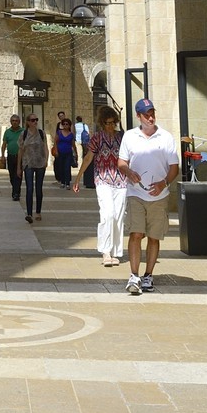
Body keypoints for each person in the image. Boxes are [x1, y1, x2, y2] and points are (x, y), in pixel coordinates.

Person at [117, 99, 179, 294]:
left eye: (152, 113)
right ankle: (134, 276)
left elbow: (174, 167)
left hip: (159, 197)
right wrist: (129, 172)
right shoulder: (129, 136)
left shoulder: (166, 137)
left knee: (153, 237)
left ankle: (148, 275)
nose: (150, 118)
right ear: (138, 116)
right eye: (146, 115)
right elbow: (121, 162)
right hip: (135, 193)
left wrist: (163, 183)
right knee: (136, 234)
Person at [77, 105, 126, 266]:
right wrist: (78, 178)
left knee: (119, 216)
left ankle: (115, 251)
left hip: (121, 181)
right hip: (103, 180)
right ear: (102, 123)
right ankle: (105, 251)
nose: (110, 126)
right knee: (108, 214)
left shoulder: (122, 137)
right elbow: (88, 158)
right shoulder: (97, 138)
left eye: (112, 122)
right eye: (107, 123)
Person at [17, 114, 49, 223]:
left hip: (40, 163)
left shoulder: (41, 133)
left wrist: (46, 160)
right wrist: (19, 167)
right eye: (32, 120)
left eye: (36, 119)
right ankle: (29, 213)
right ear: (28, 122)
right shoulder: (24, 134)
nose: (35, 122)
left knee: (39, 188)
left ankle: (38, 212)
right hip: (28, 164)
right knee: (29, 188)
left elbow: (45, 147)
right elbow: (20, 150)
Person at [1, 114, 24, 201]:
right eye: (13, 121)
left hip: (20, 157)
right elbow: (4, 144)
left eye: (16, 121)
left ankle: (16, 193)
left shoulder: (23, 131)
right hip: (10, 156)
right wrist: (2, 155)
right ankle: (16, 190)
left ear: (19, 122)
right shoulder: (7, 132)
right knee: (12, 175)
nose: (15, 122)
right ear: (11, 122)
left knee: (18, 175)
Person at [54, 117, 77, 189]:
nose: (65, 125)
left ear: (69, 125)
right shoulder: (59, 132)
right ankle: (62, 182)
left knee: (67, 168)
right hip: (60, 152)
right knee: (61, 167)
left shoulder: (71, 134)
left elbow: (73, 144)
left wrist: (76, 153)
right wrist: (56, 150)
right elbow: (55, 142)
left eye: (67, 124)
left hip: (68, 153)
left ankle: (67, 183)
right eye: (64, 124)